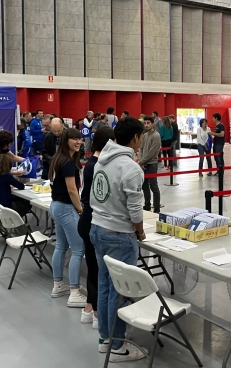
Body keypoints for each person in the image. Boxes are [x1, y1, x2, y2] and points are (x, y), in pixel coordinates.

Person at [90, 117, 148, 362]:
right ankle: (117, 345)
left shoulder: (100, 161)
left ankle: (105, 338)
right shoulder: (130, 167)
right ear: (135, 138)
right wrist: (141, 231)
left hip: (98, 228)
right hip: (119, 234)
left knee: (104, 284)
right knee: (119, 291)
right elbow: (135, 209)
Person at [77, 126, 115, 330]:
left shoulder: (92, 163)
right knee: (96, 269)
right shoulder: (98, 165)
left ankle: (89, 308)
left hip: (87, 219)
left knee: (93, 267)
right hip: (92, 219)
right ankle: (97, 313)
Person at [47, 128, 87, 307]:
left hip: (56, 206)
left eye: (79, 139)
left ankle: (58, 285)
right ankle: (74, 292)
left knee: (61, 247)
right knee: (78, 249)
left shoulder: (58, 159)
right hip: (65, 208)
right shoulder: (68, 162)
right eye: (74, 139)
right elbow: (72, 190)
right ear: (65, 141)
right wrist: (80, 210)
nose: (78, 142)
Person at [138, 116, 161, 213]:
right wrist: (141, 161)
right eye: (145, 123)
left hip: (152, 164)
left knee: (153, 187)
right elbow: (141, 149)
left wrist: (141, 162)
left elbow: (152, 152)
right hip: (143, 165)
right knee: (144, 186)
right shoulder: (145, 135)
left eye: (148, 123)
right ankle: (147, 205)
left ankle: (156, 207)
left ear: (152, 124)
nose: (146, 125)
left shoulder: (156, 136)